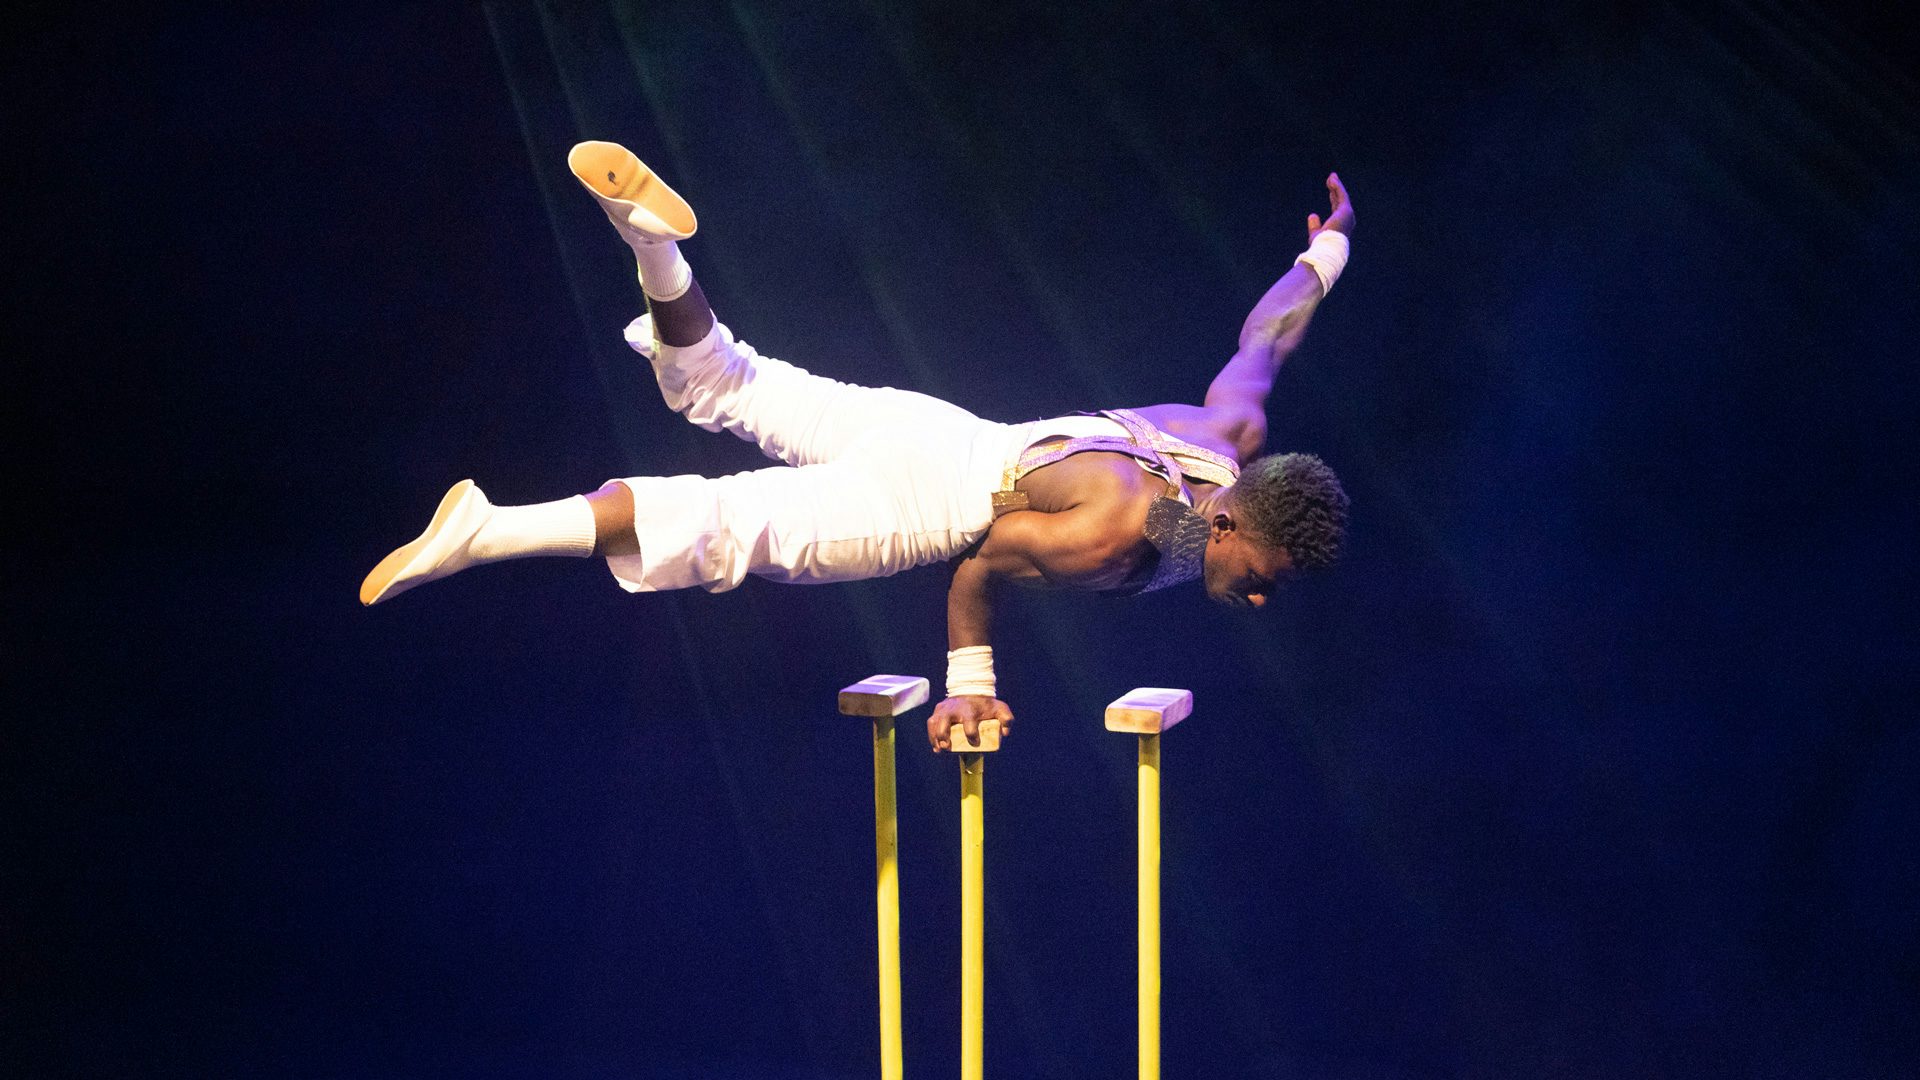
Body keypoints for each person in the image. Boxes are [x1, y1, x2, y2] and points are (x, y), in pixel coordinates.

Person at [361, 142, 1353, 752]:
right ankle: (489, 528)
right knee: (724, 526)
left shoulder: (1228, 433)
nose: (1257, 597)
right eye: (1257, 572)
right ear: (1226, 516)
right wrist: (973, 691)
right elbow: (982, 567)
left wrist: (1326, 251)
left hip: (942, 427)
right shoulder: (1119, 536)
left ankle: (652, 242)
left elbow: (1265, 335)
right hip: (922, 503)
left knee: (722, 383)